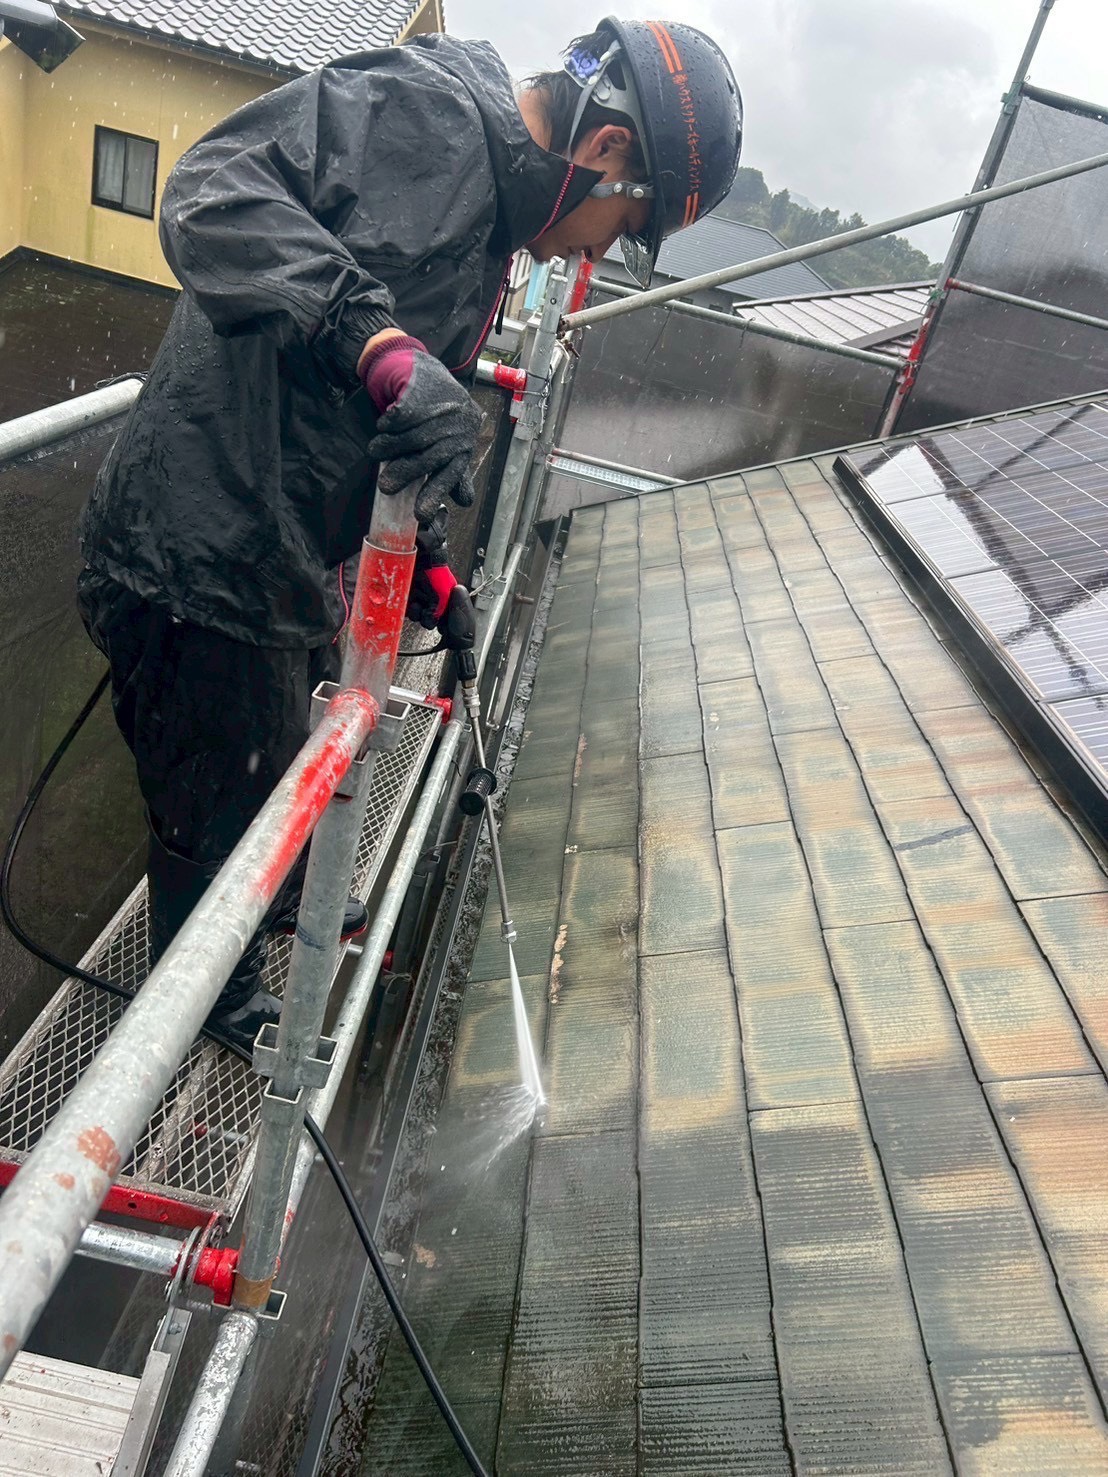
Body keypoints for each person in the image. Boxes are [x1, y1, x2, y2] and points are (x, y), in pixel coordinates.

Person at [76, 17, 743, 1050]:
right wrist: (375, 341)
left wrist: (428, 566)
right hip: (196, 551)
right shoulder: (427, 116)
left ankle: (271, 901)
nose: (600, 253)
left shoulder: (490, 223)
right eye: (623, 225)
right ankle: (208, 1009)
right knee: (213, 808)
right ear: (607, 149)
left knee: (278, 763)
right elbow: (211, 189)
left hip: (283, 552)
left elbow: (378, 422)